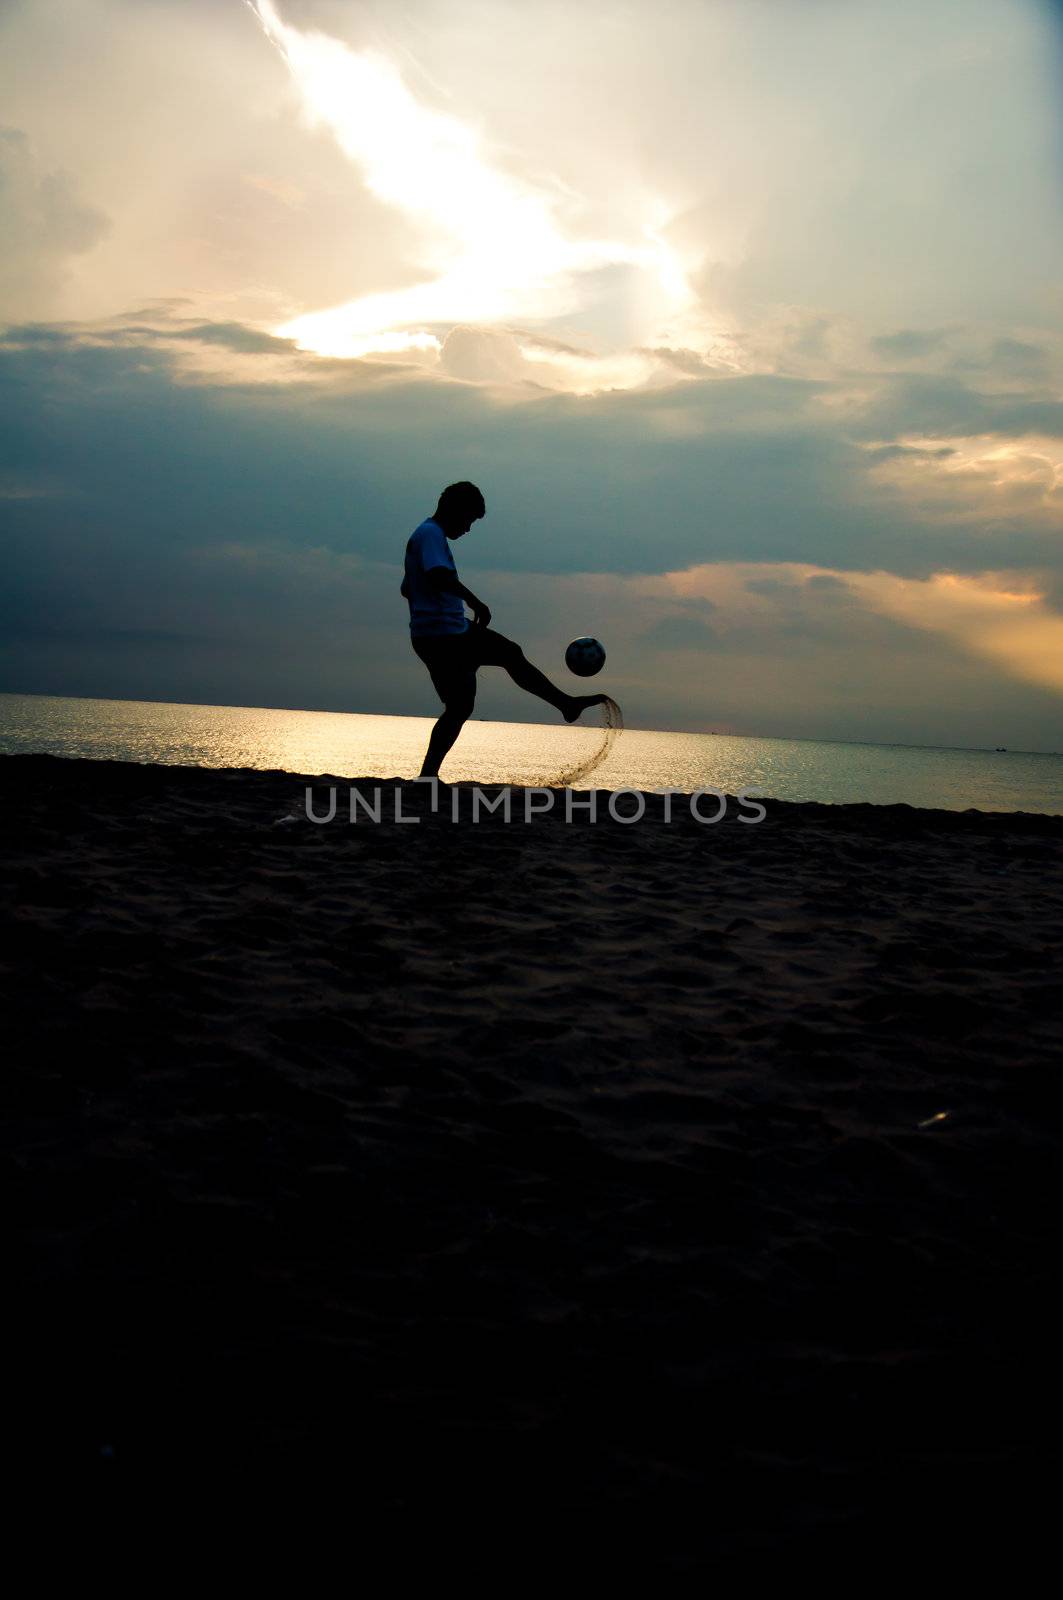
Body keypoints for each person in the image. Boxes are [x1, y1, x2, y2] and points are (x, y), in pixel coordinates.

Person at [402, 481, 608, 778]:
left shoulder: (423, 535)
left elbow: (407, 587)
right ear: (454, 508)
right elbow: (438, 575)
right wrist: (475, 602)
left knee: (459, 707)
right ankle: (566, 704)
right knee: (509, 654)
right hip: (446, 635)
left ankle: (427, 777)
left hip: (432, 635)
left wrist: (427, 605)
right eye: (469, 519)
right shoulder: (431, 534)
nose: (468, 528)